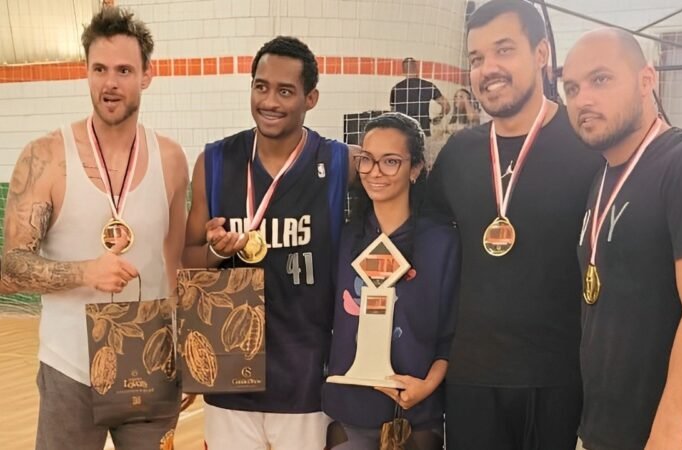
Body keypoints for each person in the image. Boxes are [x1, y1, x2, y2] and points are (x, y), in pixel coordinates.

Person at [425, 1, 682, 449]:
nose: (488, 68)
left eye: (503, 50)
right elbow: (419, 236)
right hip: (499, 387)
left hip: (571, 387)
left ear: (540, 52)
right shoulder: (462, 156)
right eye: (476, 58)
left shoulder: (606, 145)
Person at [1, 7, 188, 450]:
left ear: (147, 75)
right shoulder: (45, 157)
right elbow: (9, 271)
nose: (110, 83)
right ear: (85, 72)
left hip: (150, 362)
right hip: (70, 368)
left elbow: (176, 265)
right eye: (99, 69)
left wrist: (187, 352)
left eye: (124, 70)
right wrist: (87, 272)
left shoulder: (171, 159)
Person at [564, 28, 682, 450]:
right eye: (571, 87)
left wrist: (670, 427)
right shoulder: (603, 176)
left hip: (668, 437)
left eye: (601, 79)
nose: (583, 98)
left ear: (647, 80)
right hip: (605, 430)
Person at [181, 36, 355, 450]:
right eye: (261, 86)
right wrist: (216, 252)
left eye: (285, 91)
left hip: (307, 374)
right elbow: (186, 261)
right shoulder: (214, 162)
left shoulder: (339, 162)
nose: (269, 101)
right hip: (229, 372)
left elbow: (399, 171)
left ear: (310, 98)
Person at [322, 113, 459, 449]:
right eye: (367, 160)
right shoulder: (343, 239)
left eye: (391, 162)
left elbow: (452, 334)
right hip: (349, 411)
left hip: (417, 413)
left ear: (416, 169)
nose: (375, 172)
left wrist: (428, 385)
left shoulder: (441, 243)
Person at [390, 57, 451, 136]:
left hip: (402, 134)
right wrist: (438, 118)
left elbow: (392, 114)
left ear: (403, 71)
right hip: (422, 133)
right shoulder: (428, 86)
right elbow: (446, 106)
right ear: (416, 68)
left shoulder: (396, 89)